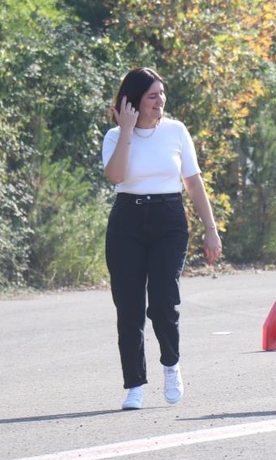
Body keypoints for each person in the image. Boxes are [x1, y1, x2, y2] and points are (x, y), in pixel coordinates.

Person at [101, 67, 222, 410]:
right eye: (152, 96)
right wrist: (126, 130)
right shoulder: (114, 136)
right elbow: (116, 176)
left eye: (162, 94)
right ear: (133, 101)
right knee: (128, 308)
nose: (160, 102)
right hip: (127, 221)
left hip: (169, 219)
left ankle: (171, 364)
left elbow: (194, 183)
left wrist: (210, 230)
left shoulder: (176, 131)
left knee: (163, 302)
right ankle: (134, 385)